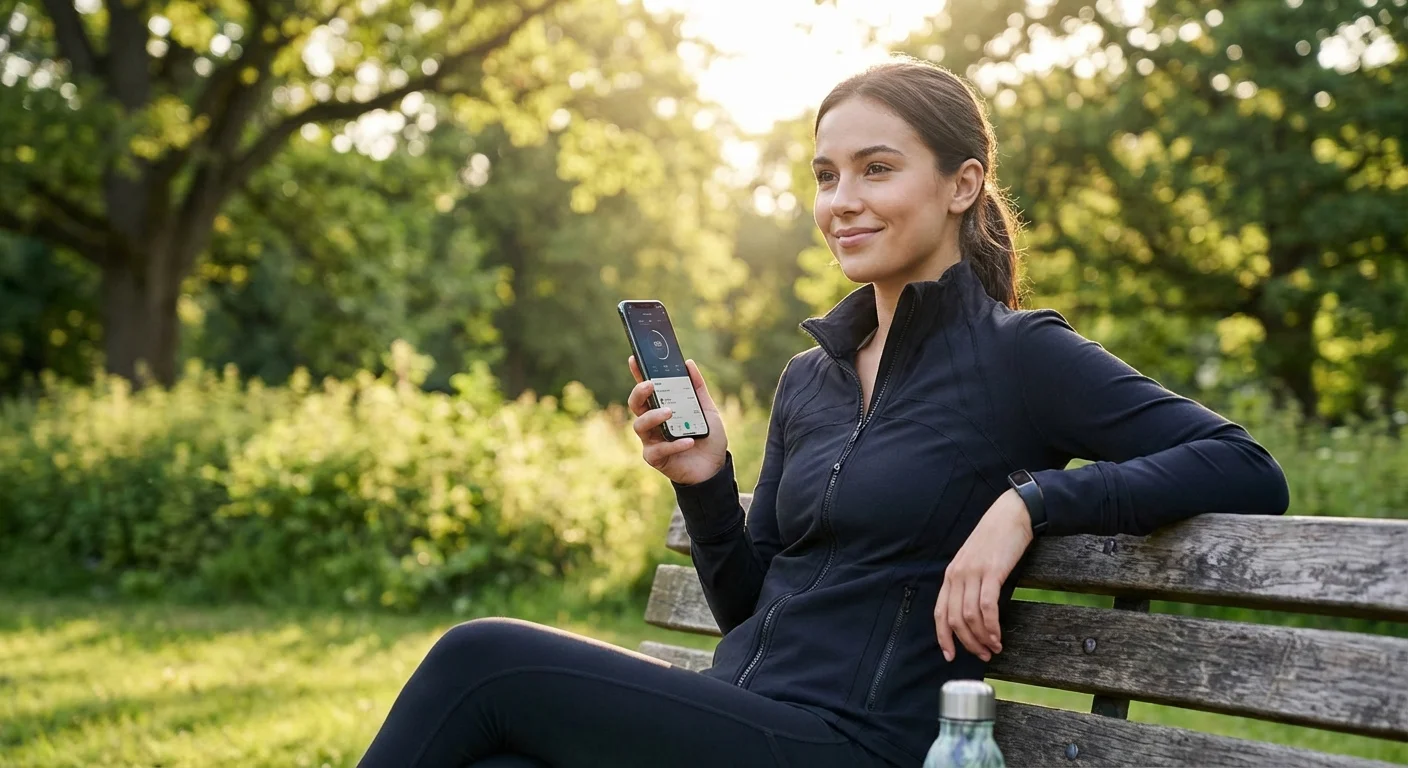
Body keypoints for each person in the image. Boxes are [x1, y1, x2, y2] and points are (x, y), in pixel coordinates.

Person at [356, 56, 1290, 768]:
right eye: (827, 175)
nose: (842, 201)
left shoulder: (1019, 356)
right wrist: (708, 482)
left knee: (480, 658)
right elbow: (749, 607)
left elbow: (1246, 466)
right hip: (755, 717)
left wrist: (1030, 504)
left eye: (876, 169)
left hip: (860, 743)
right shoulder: (813, 377)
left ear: (961, 186)